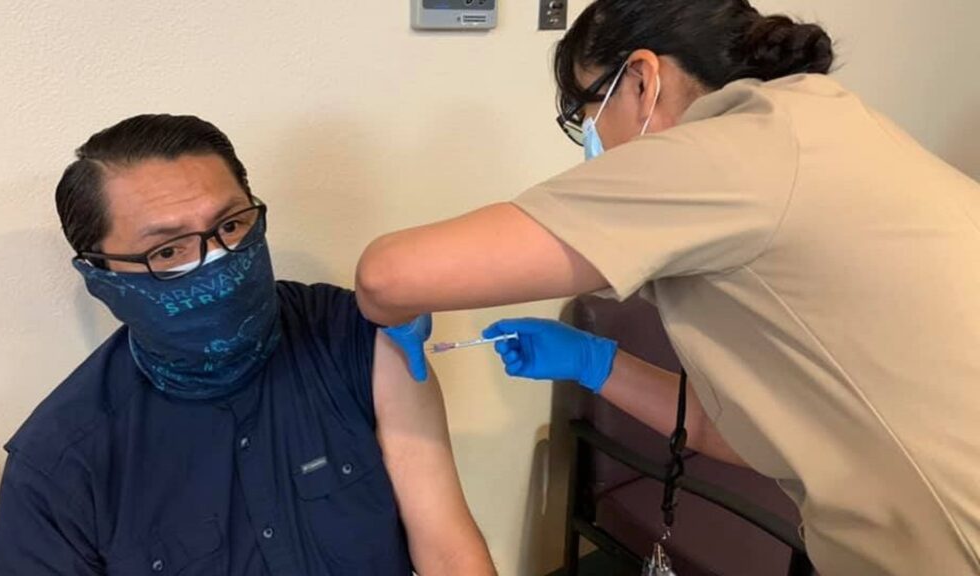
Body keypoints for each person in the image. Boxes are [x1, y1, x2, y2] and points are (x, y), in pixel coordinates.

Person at [355, 0, 980, 574]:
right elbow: (744, 432)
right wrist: (593, 361)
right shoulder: (819, 121)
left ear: (642, 80)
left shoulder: (725, 153)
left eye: (585, 114)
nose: (591, 145)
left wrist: (401, 313)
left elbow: (386, 275)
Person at [0, 115, 495, 576]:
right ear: (101, 278)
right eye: (167, 250)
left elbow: (449, 550)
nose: (216, 262)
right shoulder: (58, 464)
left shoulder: (356, 336)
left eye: (230, 225)